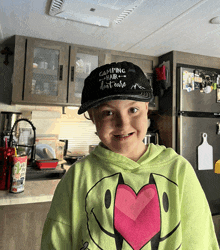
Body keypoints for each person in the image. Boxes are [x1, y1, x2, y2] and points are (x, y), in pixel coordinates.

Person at [41, 61, 219, 250]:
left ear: (146, 111)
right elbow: (55, 243)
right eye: (108, 113)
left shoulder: (178, 170)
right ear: (93, 117)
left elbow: (200, 241)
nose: (123, 124)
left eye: (133, 110)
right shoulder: (76, 178)